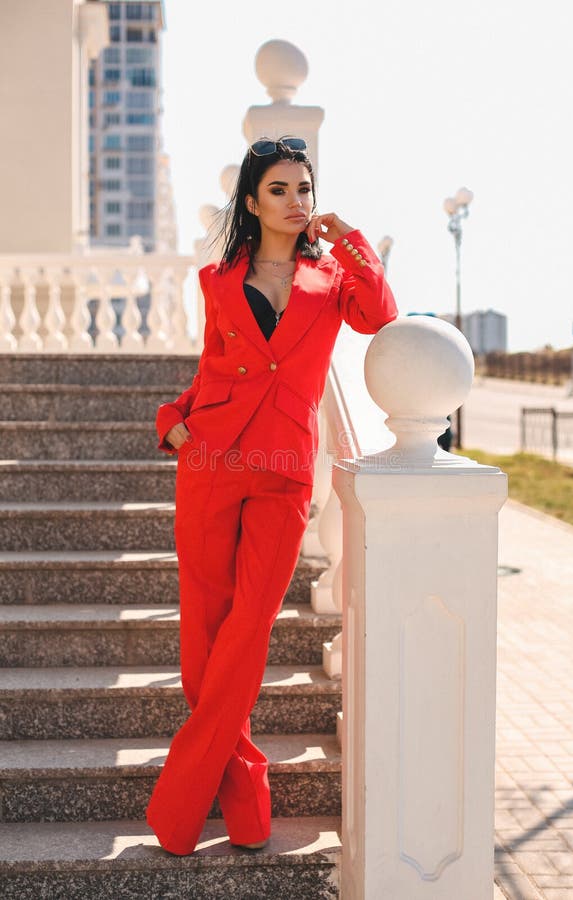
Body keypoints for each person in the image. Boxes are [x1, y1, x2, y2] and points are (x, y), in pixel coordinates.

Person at [145, 136, 398, 856]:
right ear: (253, 201)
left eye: (305, 188)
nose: (297, 201)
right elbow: (212, 370)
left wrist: (348, 240)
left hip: (283, 468)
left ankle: (183, 802)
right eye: (281, 189)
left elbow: (380, 315)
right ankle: (247, 792)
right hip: (211, 463)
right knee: (203, 637)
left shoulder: (331, 279)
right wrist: (175, 426)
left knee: (249, 626)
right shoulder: (218, 280)